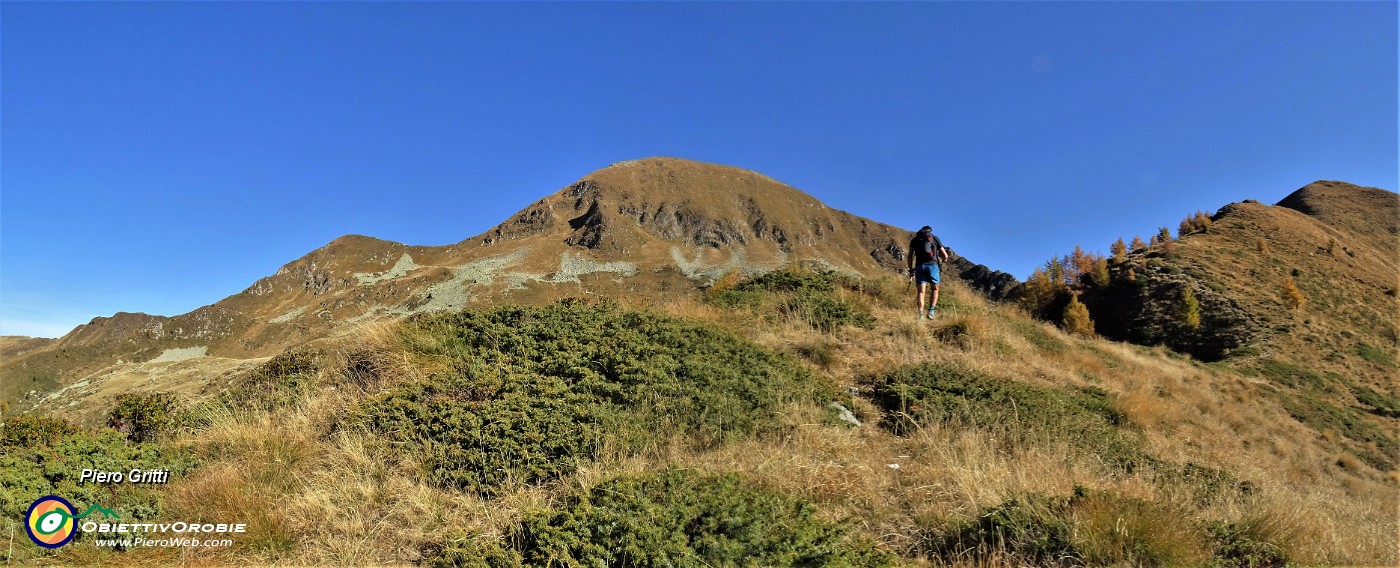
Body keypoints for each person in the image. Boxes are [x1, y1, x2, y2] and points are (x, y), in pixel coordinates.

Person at [908, 225, 949, 319]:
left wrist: (911, 270)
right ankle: (931, 311)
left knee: (921, 292)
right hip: (933, 266)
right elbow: (945, 255)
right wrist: (944, 259)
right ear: (930, 231)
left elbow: (910, 256)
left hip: (919, 266)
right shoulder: (934, 238)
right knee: (935, 289)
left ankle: (920, 315)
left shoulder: (915, 240)